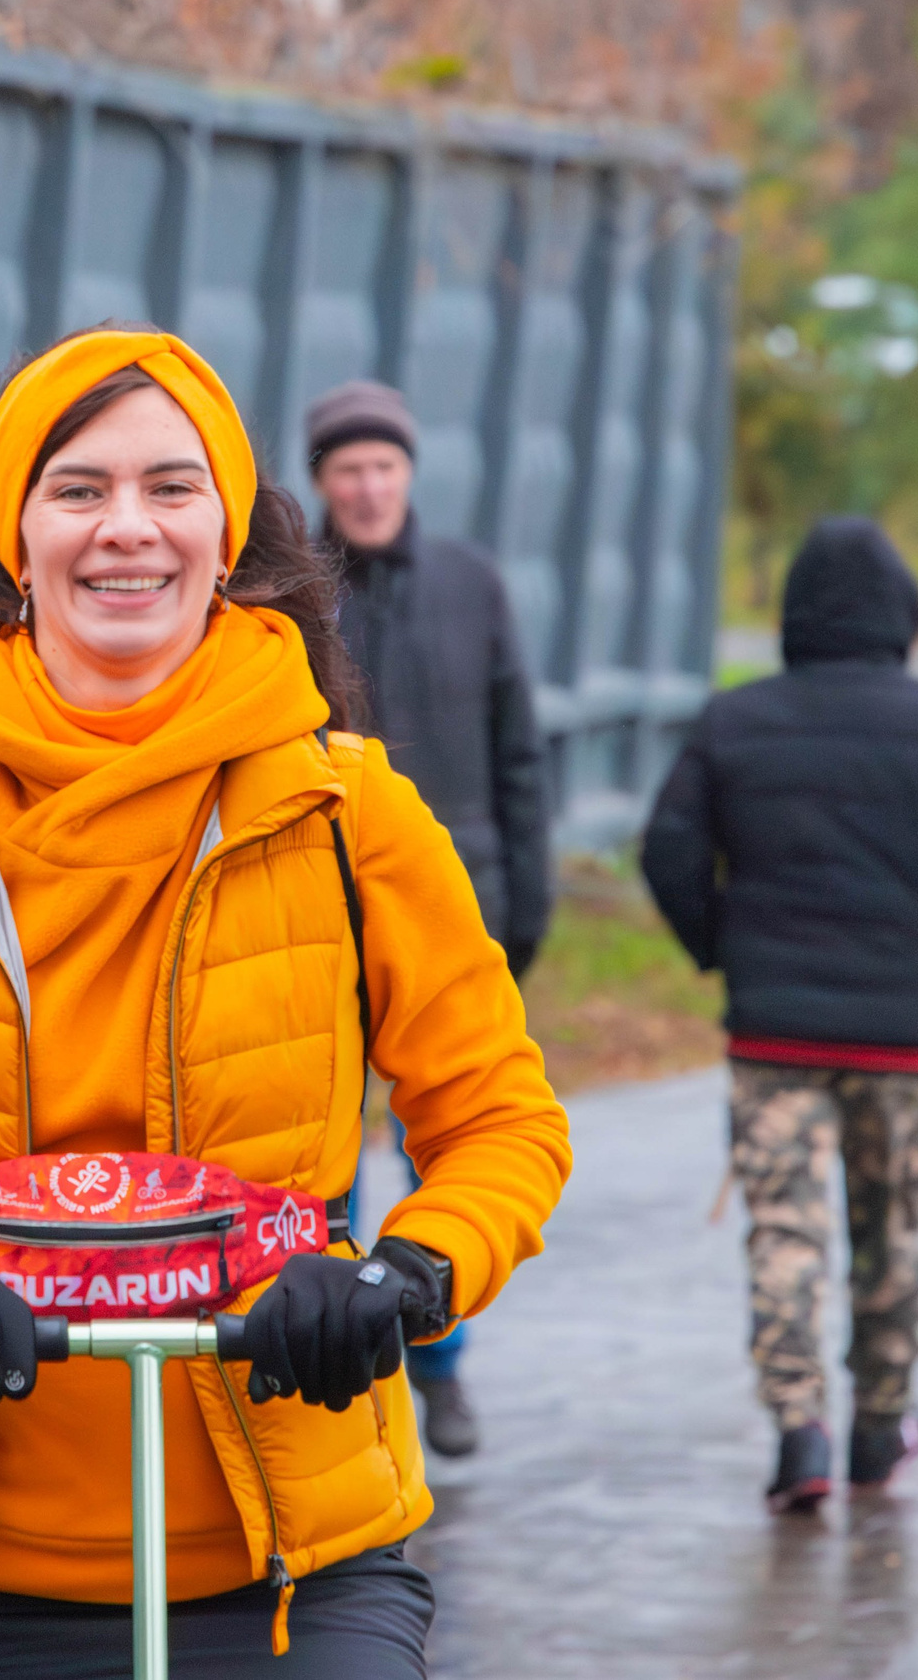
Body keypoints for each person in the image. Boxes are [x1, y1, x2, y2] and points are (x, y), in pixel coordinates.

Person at [0, 325, 570, 1678]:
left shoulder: (351, 813)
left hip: (293, 1565)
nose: (128, 526)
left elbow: (502, 1121)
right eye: (79, 489)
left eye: (172, 486)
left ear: (228, 536)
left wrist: (405, 1274)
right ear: (15, 535)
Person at [639, 516, 918, 1515]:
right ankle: (880, 1425)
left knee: (785, 1232)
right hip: (902, 1040)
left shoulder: (734, 721)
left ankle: (798, 1428)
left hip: (773, 1034)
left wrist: (724, 946)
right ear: (903, 615)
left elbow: (667, 850)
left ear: (794, 615)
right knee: (892, 1235)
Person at [306, 378, 553, 1461]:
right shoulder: (292, 594)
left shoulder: (471, 584)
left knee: (441, 1150)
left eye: (384, 467)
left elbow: (518, 749)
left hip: (460, 904)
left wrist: (529, 896)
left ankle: (439, 1362)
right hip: (321, 915)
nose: (368, 488)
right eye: (347, 470)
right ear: (322, 482)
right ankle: (333, 1356)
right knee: (330, 1152)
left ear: (409, 473)